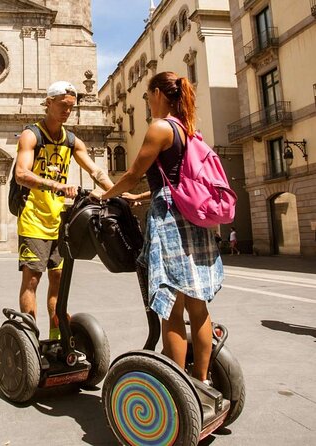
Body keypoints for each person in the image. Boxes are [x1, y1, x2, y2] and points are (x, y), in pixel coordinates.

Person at [100, 71, 223, 384]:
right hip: (194, 217)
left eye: (147, 94)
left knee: (171, 308)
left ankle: (177, 386)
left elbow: (131, 172)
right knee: (198, 307)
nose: (146, 101)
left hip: (170, 220)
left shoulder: (159, 127)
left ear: (158, 94)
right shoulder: (188, 129)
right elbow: (177, 178)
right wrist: (142, 195)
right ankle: (201, 380)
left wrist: (104, 194)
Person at [15, 81, 114, 340]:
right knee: (33, 280)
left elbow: (96, 170)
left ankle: (57, 337)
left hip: (59, 221)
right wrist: (56, 185)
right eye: (62, 106)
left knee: (58, 282)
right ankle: (30, 339)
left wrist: (117, 193)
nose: (67, 112)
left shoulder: (71, 140)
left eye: (71, 108)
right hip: (33, 218)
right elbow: (21, 174)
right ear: (48, 103)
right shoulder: (31, 135)